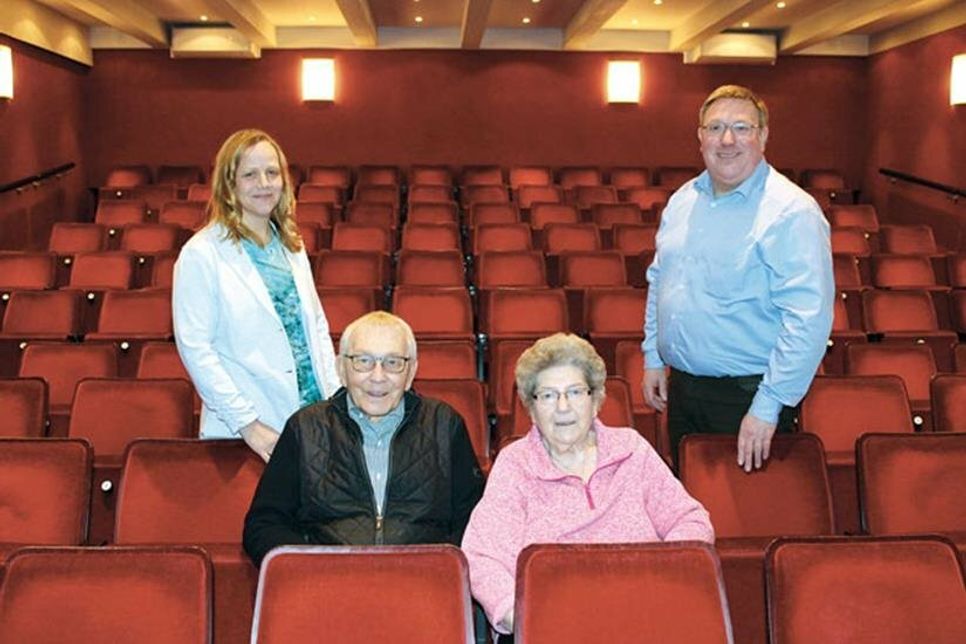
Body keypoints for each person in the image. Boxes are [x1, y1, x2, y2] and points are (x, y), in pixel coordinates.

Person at [461, 334, 713, 638]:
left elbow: (691, 520)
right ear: (531, 408)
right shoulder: (516, 465)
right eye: (548, 396)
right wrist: (521, 617)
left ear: (595, 401)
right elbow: (483, 556)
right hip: (555, 626)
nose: (563, 407)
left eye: (575, 392)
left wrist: (665, 577)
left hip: (643, 616)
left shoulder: (632, 449)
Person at [642, 84, 834, 472]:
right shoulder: (682, 200)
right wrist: (652, 355)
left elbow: (807, 320)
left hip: (748, 398)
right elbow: (661, 280)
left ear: (763, 136)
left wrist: (768, 405)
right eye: (715, 128)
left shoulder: (792, 212)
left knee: (744, 522)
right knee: (690, 512)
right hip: (684, 392)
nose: (727, 140)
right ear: (700, 137)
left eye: (741, 128)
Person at [243, 311, 485, 566]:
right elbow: (264, 525)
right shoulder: (304, 428)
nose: (378, 377)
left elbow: (475, 522)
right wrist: (312, 568)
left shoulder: (445, 425)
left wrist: (437, 570)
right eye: (363, 361)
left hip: (420, 585)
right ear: (341, 369)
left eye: (393, 363)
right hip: (327, 587)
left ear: (411, 372)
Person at [173, 129, 340, 462]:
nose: (264, 183)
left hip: (313, 417)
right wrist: (249, 424)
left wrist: (335, 398)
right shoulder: (202, 254)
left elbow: (315, 327)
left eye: (272, 172)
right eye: (249, 174)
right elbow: (196, 349)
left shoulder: (291, 243)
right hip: (251, 430)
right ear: (228, 184)